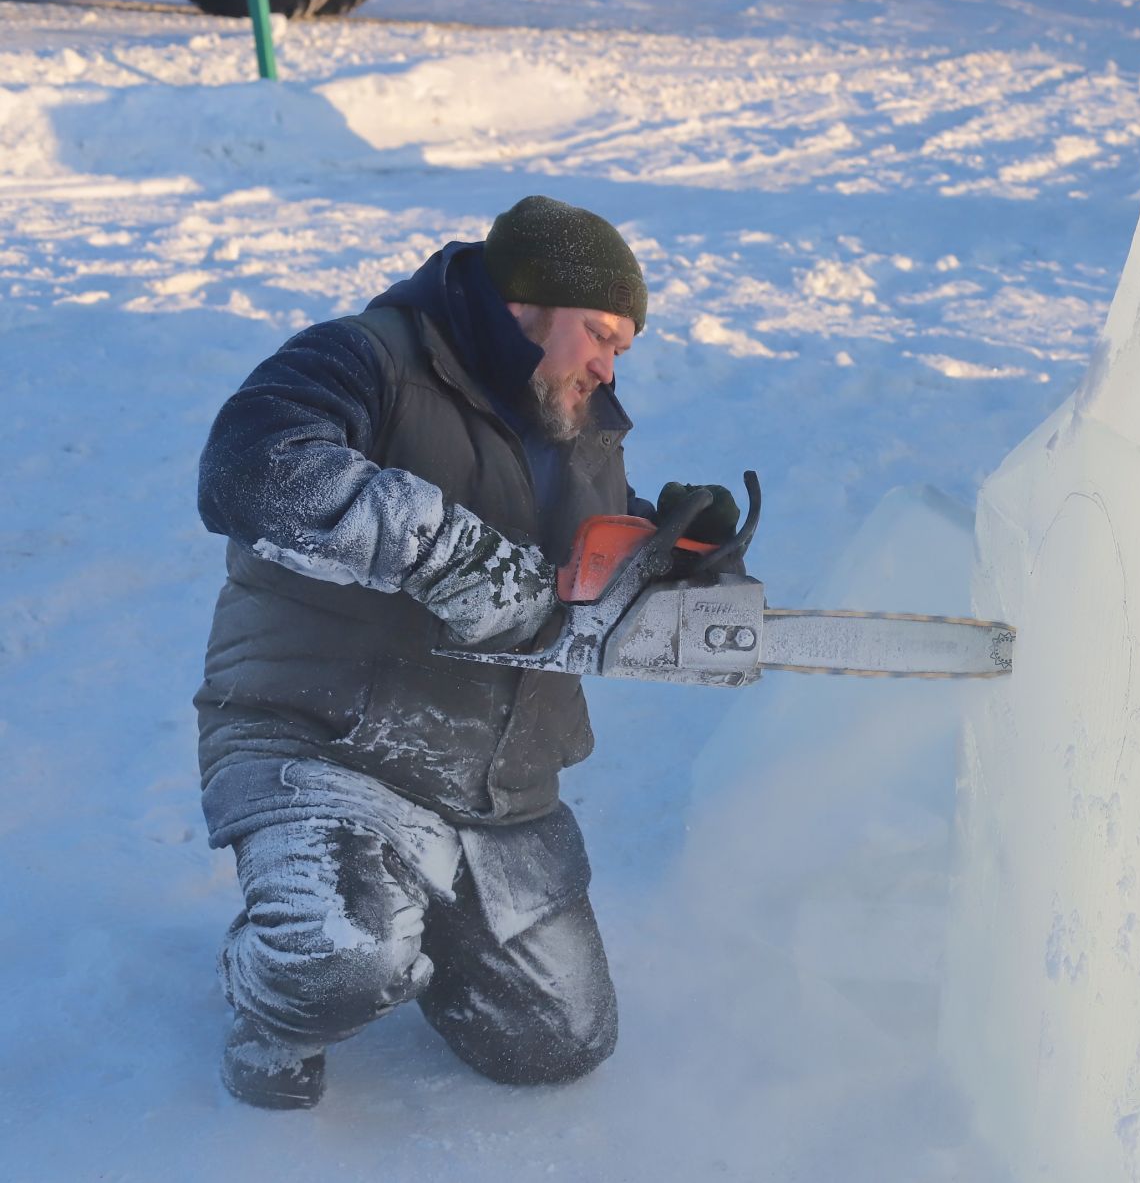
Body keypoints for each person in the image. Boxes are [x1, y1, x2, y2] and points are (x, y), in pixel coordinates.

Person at [192, 195, 735, 1109]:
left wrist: (669, 556)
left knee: (558, 1040)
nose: (611, 363)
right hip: (326, 742)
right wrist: (442, 548)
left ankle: (421, 910)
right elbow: (251, 465)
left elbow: (565, 581)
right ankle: (277, 991)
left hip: (493, 793)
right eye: (601, 332)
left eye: (623, 347)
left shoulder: (580, 422)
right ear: (526, 303)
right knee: (337, 960)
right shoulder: (366, 358)